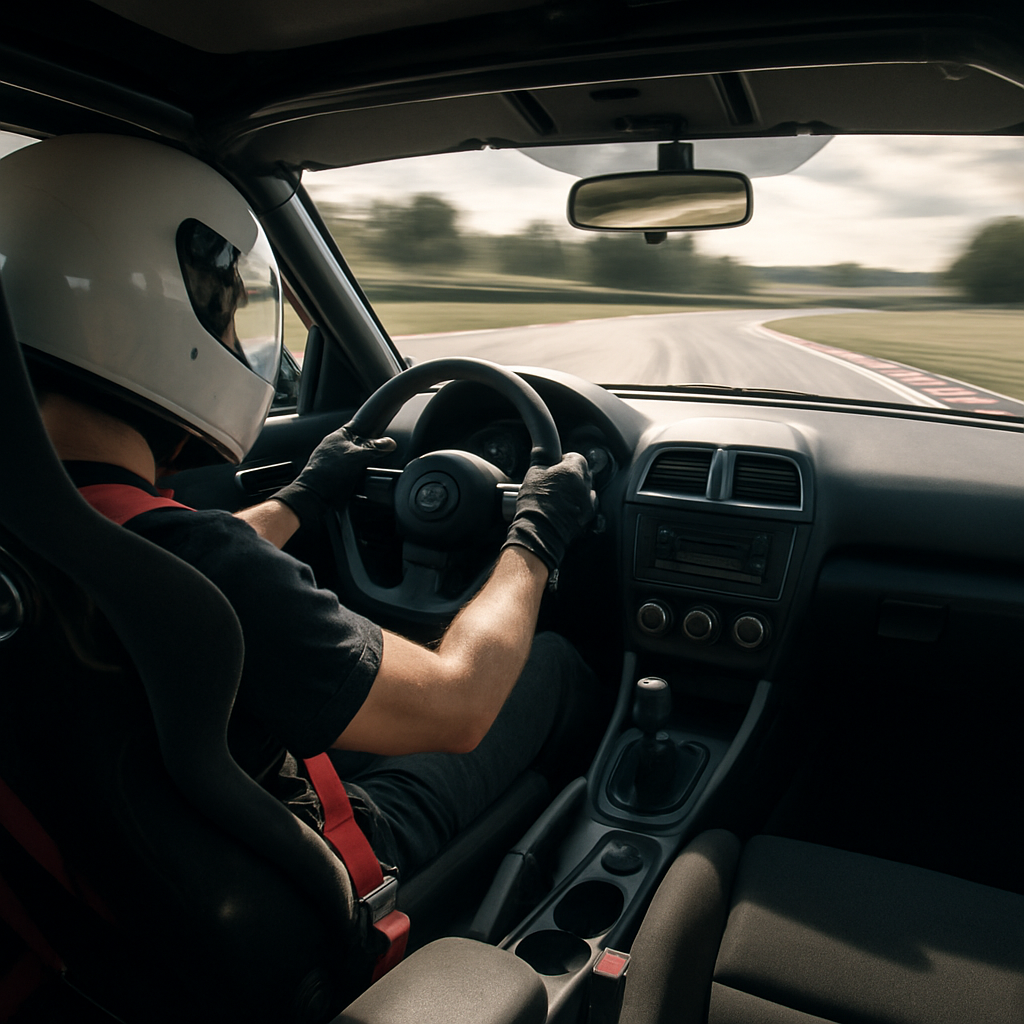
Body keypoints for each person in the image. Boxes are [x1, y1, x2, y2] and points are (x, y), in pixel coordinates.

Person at [1, 133, 599, 882]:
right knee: (554, 663)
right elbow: (458, 704)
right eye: (227, 319)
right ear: (137, 321)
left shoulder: (51, 522)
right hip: (303, 885)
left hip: (109, 888)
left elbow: (144, 564)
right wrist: (536, 537)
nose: (233, 343)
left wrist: (301, 497)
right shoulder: (207, 567)